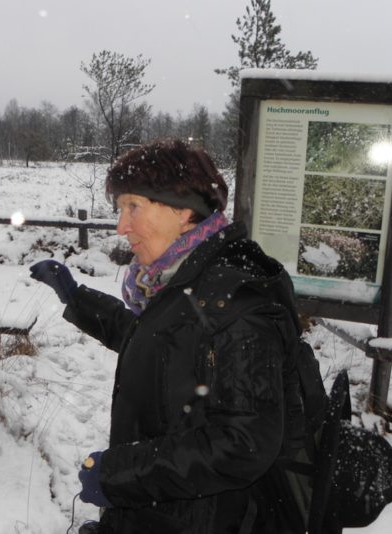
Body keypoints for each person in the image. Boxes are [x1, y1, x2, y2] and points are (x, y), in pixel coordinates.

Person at [30, 139, 306, 534]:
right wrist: (79, 300)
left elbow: (244, 443)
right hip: (162, 513)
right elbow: (163, 345)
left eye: (133, 207)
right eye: (120, 208)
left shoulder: (237, 304)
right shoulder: (184, 284)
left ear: (183, 210)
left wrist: (118, 476)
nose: (121, 226)